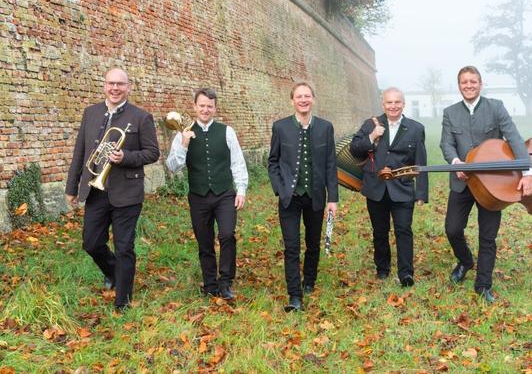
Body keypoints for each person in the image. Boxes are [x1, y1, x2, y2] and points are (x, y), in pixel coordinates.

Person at [65, 67, 159, 311]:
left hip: (127, 192)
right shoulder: (91, 113)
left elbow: (152, 152)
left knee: (124, 246)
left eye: (120, 84)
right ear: (104, 85)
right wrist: (71, 186)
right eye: (110, 83)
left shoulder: (141, 117)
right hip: (96, 189)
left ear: (128, 87)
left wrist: (125, 156)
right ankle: (114, 271)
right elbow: (80, 152)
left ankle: (123, 301)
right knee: (91, 243)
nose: (115, 88)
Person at [440, 65, 532, 304]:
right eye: (464, 82)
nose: (468, 85)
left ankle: (483, 284)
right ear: (459, 85)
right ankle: (465, 261)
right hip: (463, 182)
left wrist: (527, 171)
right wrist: (455, 161)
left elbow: (514, 138)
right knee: (452, 229)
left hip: (494, 184)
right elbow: (446, 144)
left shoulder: (496, 107)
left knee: (487, 236)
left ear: (480, 84)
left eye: (473, 81)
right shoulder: (450, 112)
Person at [166, 89, 248, 300]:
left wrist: (241, 189)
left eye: (209, 106)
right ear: (195, 107)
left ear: (214, 108)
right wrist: (184, 144)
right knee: (204, 241)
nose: (205, 109)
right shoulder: (183, 133)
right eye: (201, 105)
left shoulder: (227, 131)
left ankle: (226, 281)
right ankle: (210, 284)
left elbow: (237, 161)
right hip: (198, 195)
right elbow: (172, 167)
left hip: (224, 194)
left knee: (227, 234)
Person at [268, 82, 338, 312]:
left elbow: (330, 165)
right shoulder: (280, 127)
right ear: (292, 101)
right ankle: (294, 295)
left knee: (312, 243)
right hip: (290, 197)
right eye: (299, 96)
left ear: (313, 99)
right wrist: (280, 188)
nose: (303, 100)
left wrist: (332, 199)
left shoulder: (325, 128)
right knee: (291, 246)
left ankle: (309, 279)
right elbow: (274, 162)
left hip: (316, 196)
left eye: (307, 96)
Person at [350, 87, 427, 287]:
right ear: (383, 104)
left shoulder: (416, 128)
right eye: (389, 102)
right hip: (376, 188)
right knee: (379, 231)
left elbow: (421, 162)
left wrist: (421, 192)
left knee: (404, 230)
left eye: (397, 102)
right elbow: (354, 149)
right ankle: (382, 269)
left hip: (402, 188)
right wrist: (372, 137)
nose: (393, 106)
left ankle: (406, 273)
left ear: (403, 104)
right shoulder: (370, 124)